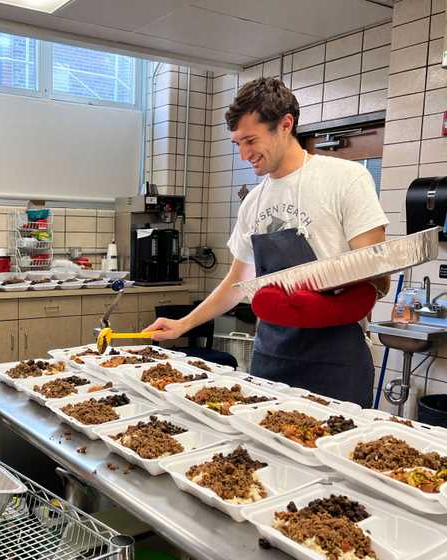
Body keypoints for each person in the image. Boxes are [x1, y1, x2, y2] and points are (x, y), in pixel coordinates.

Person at [145, 77, 389, 407]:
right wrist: (183, 324)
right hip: (271, 357)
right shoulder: (253, 202)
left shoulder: (345, 179)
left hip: (335, 360)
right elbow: (237, 282)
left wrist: (321, 306)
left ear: (285, 124)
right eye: (237, 144)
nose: (245, 154)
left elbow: (378, 275)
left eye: (250, 140)